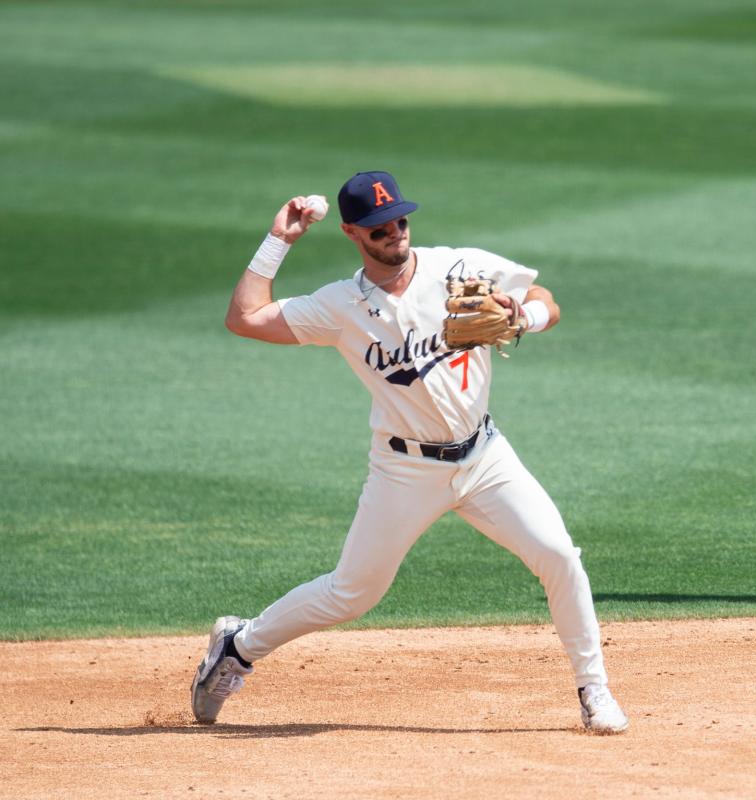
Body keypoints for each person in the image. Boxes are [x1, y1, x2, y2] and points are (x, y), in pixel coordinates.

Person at [190, 170, 628, 734]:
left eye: (399, 218)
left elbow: (545, 299)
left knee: (559, 555)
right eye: (379, 226)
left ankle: (594, 690)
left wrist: (524, 316)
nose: (394, 231)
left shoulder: (458, 266)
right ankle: (238, 645)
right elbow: (244, 319)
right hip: (404, 469)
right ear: (353, 233)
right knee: (352, 593)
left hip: (485, 458)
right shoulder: (339, 305)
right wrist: (281, 241)